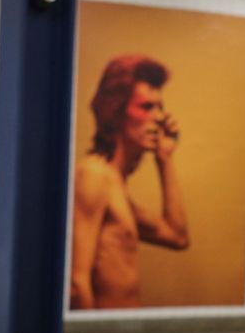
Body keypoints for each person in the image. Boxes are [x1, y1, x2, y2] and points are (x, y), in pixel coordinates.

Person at [71, 55, 189, 310]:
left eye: (160, 107)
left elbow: (177, 237)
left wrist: (164, 159)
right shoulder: (94, 176)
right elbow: (76, 282)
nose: (158, 117)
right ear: (116, 111)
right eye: (146, 107)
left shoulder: (115, 187)